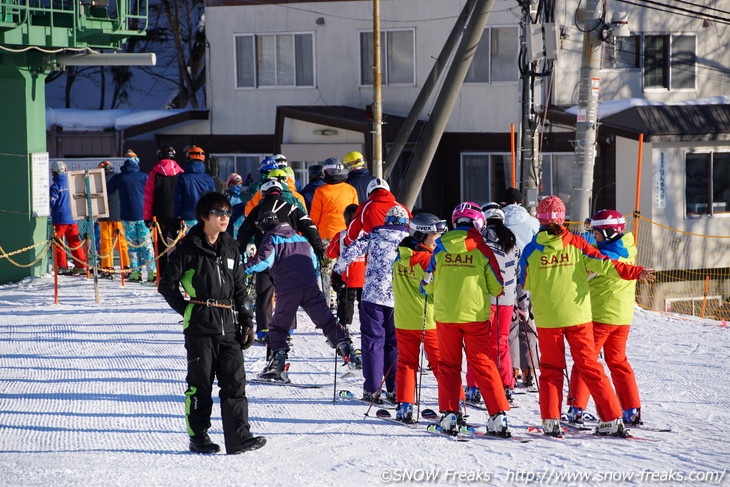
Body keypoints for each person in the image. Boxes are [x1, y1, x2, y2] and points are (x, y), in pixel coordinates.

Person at [519, 196, 655, 437]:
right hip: (577, 316)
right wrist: (636, 271)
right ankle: (612, 419)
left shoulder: (531, 249)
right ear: (563, 219)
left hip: (548, 319)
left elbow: (524, 281)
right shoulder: (577, 243)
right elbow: (606, 264)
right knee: (590, 367)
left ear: (539, 219)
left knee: (550, 369)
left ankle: (551, 420)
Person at [158, 191, 266, 455]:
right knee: (200, 385)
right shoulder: (188, 247)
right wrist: (189, 310)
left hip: (229, 326)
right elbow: (166, 285)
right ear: (204, 216)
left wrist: (247, 322)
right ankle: (199, 437)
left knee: (235, 385)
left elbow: (239, 287)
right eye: (219, 213)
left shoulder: (230, 245)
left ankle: (239, 437)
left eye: (228, 213)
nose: (225, 217)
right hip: (200, 328)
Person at [242, 210, 361, 382]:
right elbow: (313, 262)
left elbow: (263, 261)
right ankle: (351, 357)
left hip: (289, 289)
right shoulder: (301, 239)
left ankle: (277, 369)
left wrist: (240, 270)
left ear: (265, 226)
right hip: (310, 286)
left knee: (278, 327)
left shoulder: (272, 238)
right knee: (328, 321)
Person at [426, 202, 511, 437]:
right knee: (483, 363)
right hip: (476, 317)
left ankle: (450, 414)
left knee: (449, 366)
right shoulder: (482, 249)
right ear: (478, 223)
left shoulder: (440, 247)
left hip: (446, 317)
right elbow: (496, 287)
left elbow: (428, 283)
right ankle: (497, 416)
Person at [567, 210, 643, 426]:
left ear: (609, 232)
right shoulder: (627, 248)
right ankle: (631, 409)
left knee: (585, 362)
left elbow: (581, 274)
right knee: (618, 361)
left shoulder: (607, 257)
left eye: (598, 233)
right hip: (622, 317)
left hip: (600, 316)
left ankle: (576, 409)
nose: (595, 237)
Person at [333, 206, 410, 403]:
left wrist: (337, 272)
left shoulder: (373, 235)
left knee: (373, 343)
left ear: (387, 220)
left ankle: (372, 389)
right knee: (395, 344)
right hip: (399, 298)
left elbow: (350, 251)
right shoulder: (410, 241)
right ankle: (394, 389)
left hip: (372, 298)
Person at [237, 179, 325, 343]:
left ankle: (263, 332)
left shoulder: (259, 209)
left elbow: (244, 231)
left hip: (266, 257)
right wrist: (318, 248)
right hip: (288, 259)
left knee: (264, 294)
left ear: (264, 193)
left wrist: (240, 249)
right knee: (287, 295)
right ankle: (288, 331)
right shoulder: (292, 208)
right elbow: (310, 227)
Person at [391, 213, 448, 422]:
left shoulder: (400, 256)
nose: (438, 238)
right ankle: (453, 406)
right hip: (427, 320)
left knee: (406, 363)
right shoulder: (427, 259)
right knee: (442, 364)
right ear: (422, 235)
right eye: (435, 234)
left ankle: (404, 405)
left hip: (404, 319)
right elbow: (436, 289)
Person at [463, 203, 518, 404]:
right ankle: (506, 385)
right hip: (507, 299)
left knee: (478, 343)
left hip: (483, 298)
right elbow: (517, 271)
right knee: (501, 343)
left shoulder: (480, 238)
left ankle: (473, 386)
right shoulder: (512, 240)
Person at [501, 187, 540, 389]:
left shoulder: (498, 222)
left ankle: (513, 369)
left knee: (510, 325)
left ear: (503, 203)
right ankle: (530, 370)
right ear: (522, 202)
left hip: (506, 277)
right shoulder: (533, 222)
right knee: (528, 322)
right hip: (530, 276)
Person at [310, 162, 359, 305]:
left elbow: (315, 216)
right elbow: (355, 213)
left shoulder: (321, 191)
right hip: (346, 235)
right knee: (344, 267)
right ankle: (343, 297)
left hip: (326, 236)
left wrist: (313, 235)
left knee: (326, 269)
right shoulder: (350, 190)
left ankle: (328, 299)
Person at [108, 152, 156, 282]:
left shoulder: (119, 178)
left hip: (126, 216)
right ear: (137, 161)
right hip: (143, 216)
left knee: (132, 246)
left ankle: (136, 273)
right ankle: (152, 272)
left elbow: (108, 191)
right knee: (146, 246)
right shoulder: (144, 176)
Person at [143, 145, 184, 277]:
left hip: (159, 215)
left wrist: (147, 217)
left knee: (160, 247)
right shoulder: (181, 172)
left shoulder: (154, 173)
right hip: (178, 214)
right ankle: (181, 274)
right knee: (180, 245)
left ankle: (162, 276)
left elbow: (149, 197)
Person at [327, 204, 365, 332]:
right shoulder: (368, 235)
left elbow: (330, 253)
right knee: (364, 303)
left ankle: (344, 325)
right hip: (365, 276)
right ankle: (366, 325)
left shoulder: (341, 235)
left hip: (346, 276)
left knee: (345, 301)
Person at [344, 178, 411, 245]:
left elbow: (351, 235)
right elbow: (413, 227)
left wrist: (347, 243)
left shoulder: (365, 207)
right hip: (399, 250)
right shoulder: (401, 207)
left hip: (375, 249)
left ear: (369, 192)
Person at [49, 161, 88, 274]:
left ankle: (61, 266)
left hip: (59, 219)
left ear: (54, 173)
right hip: (73, 217)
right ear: (65, 170)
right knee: (75, 242)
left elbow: (52, 202)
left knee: (58, 243)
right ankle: (81, 265)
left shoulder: (55, 186)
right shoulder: (72, 183)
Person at [97, 161, 130, 277]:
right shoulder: (119, 178)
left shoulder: (98, 180)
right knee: (121, 242)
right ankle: (126, 266)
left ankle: (107, 267)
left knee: (106, 243)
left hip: (104, 216)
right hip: (119, 215)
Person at [175, 146, 216, 230]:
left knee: (189, 242)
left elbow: (178, 199)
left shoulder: (183, 177)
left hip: (188, 217)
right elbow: (213, 199)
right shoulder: (209, 179)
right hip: (205, 218)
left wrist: (177, 216)